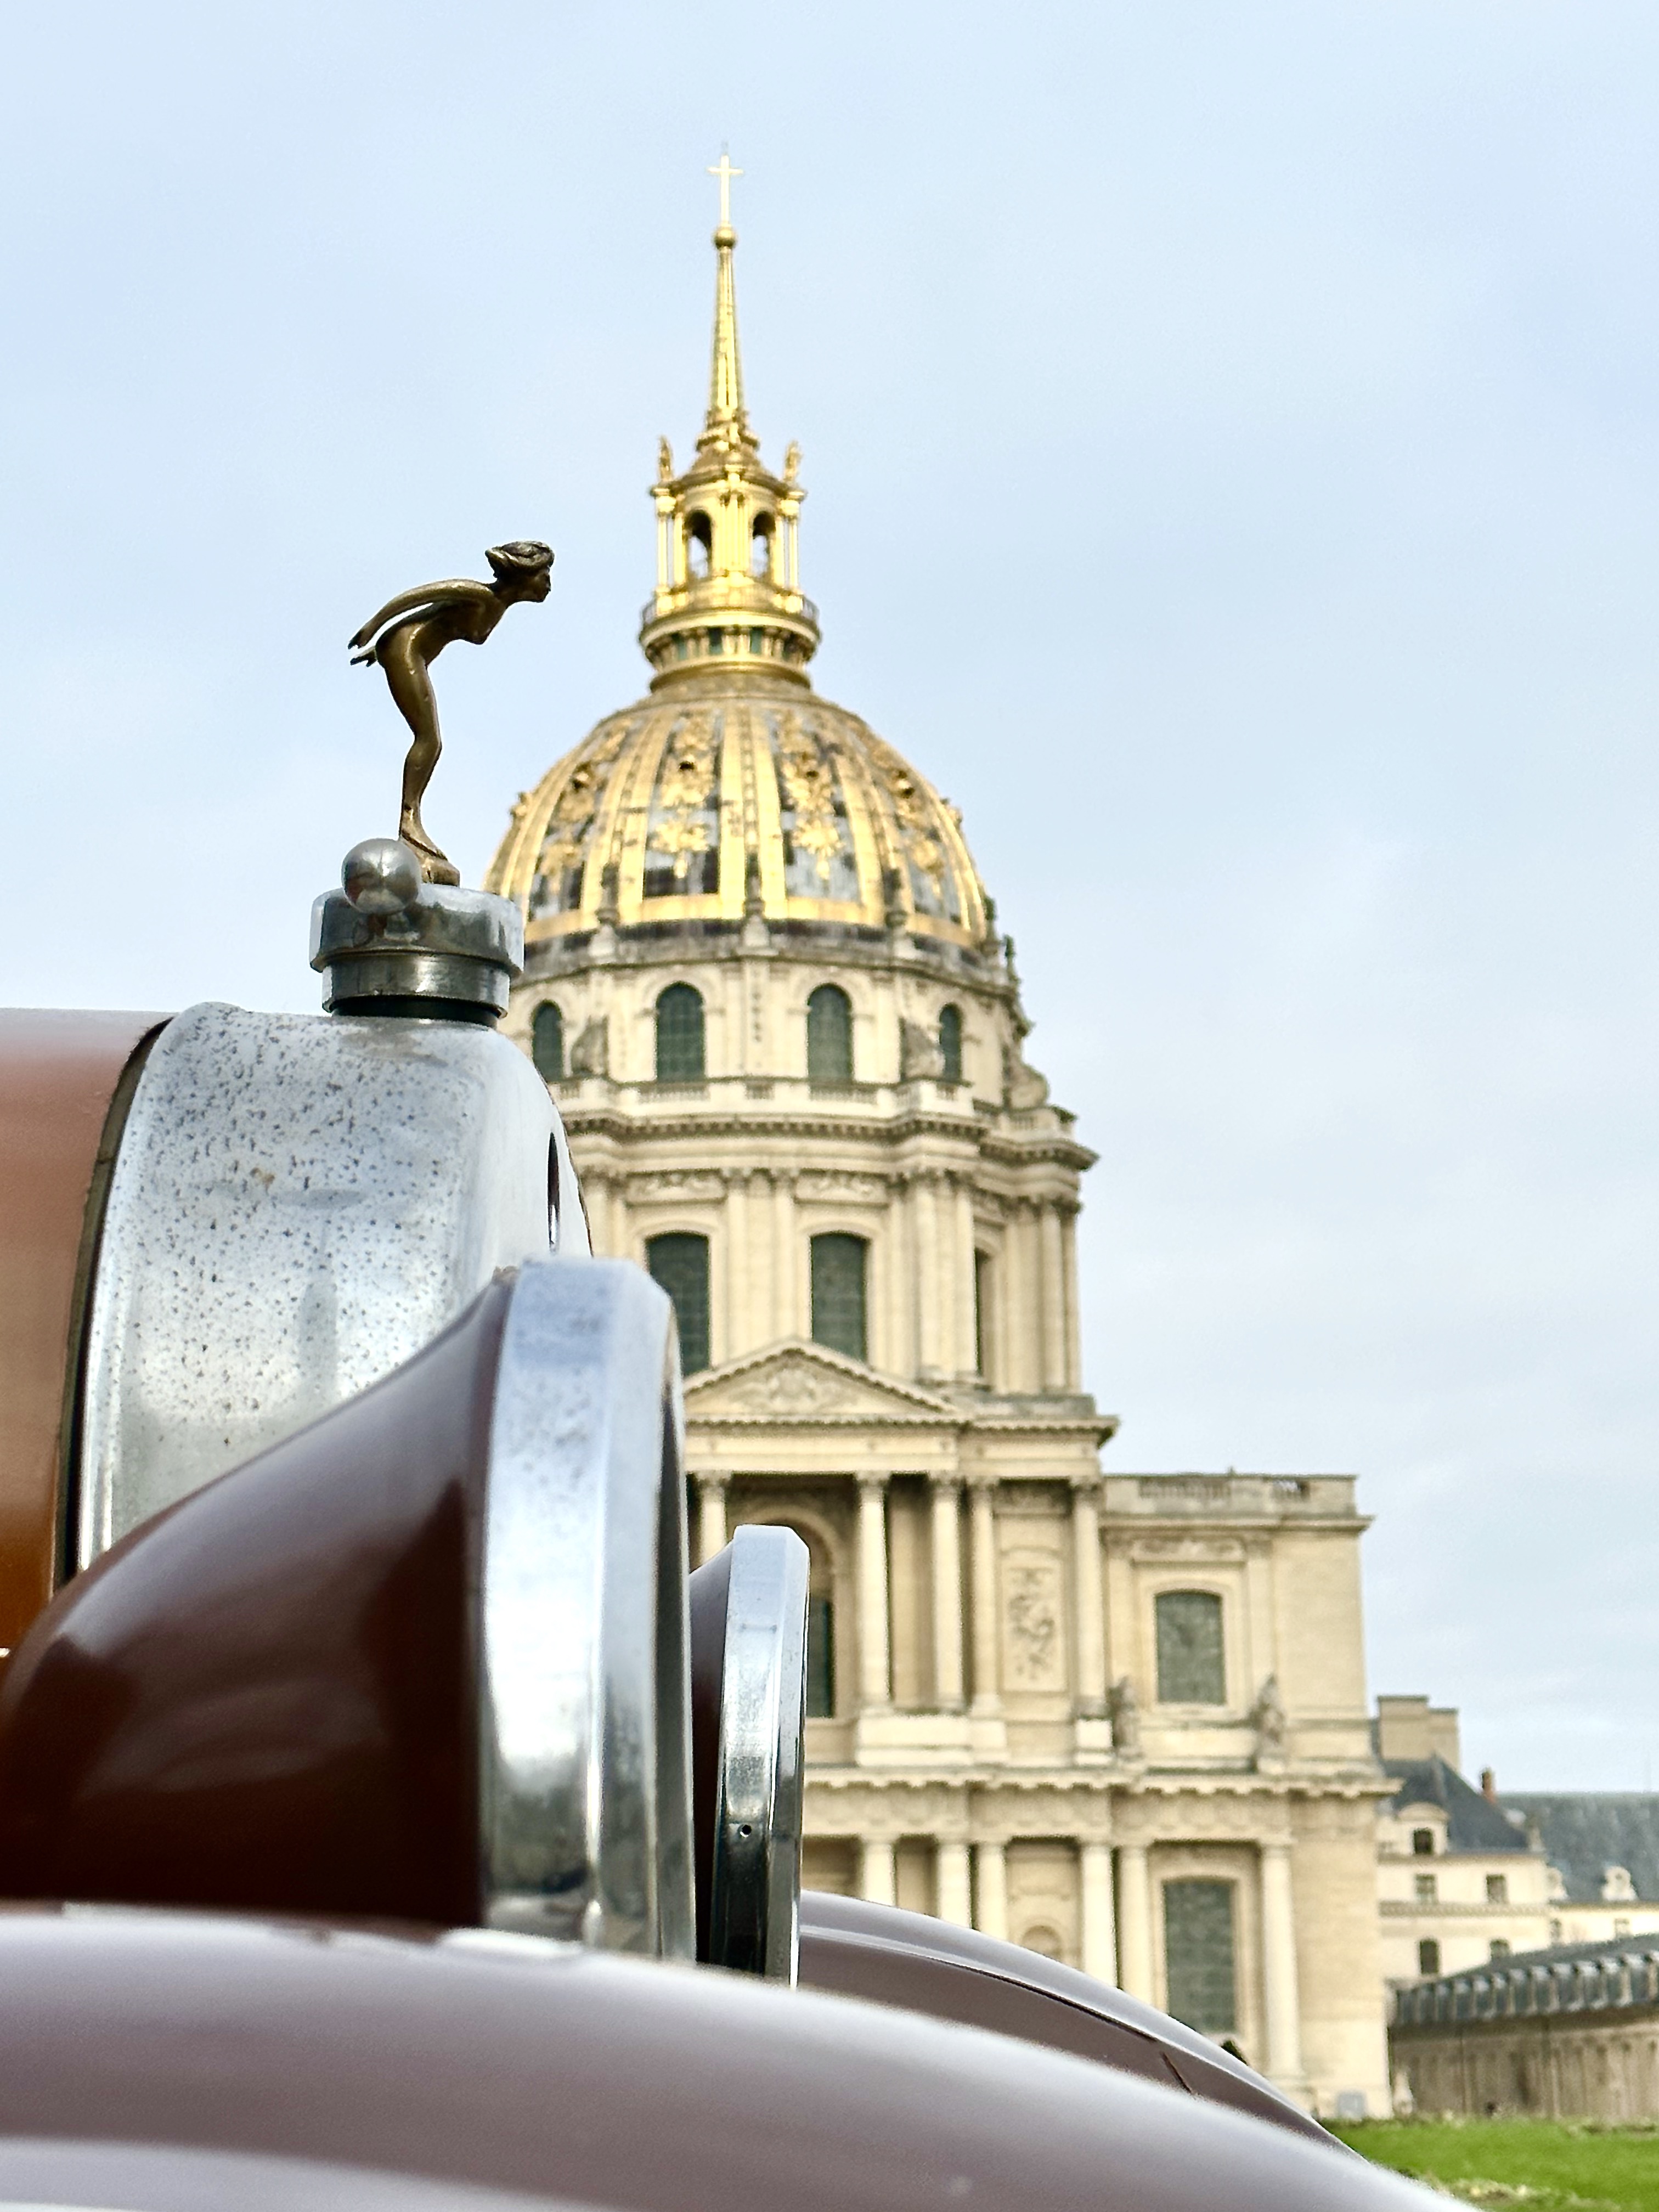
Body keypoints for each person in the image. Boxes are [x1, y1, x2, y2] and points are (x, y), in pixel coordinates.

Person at [349, 541, 554, 884]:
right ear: (524, 575)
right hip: (406, 651)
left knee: (431, 741)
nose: (548, 583)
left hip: (405, 650)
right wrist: (376, 628)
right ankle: (409, 821)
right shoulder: (481, 595)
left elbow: (435, 612)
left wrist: (384, 643)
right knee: (429, 740)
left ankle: (411, 823)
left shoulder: (496, 605)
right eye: (544, 574)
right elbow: (421, 596)